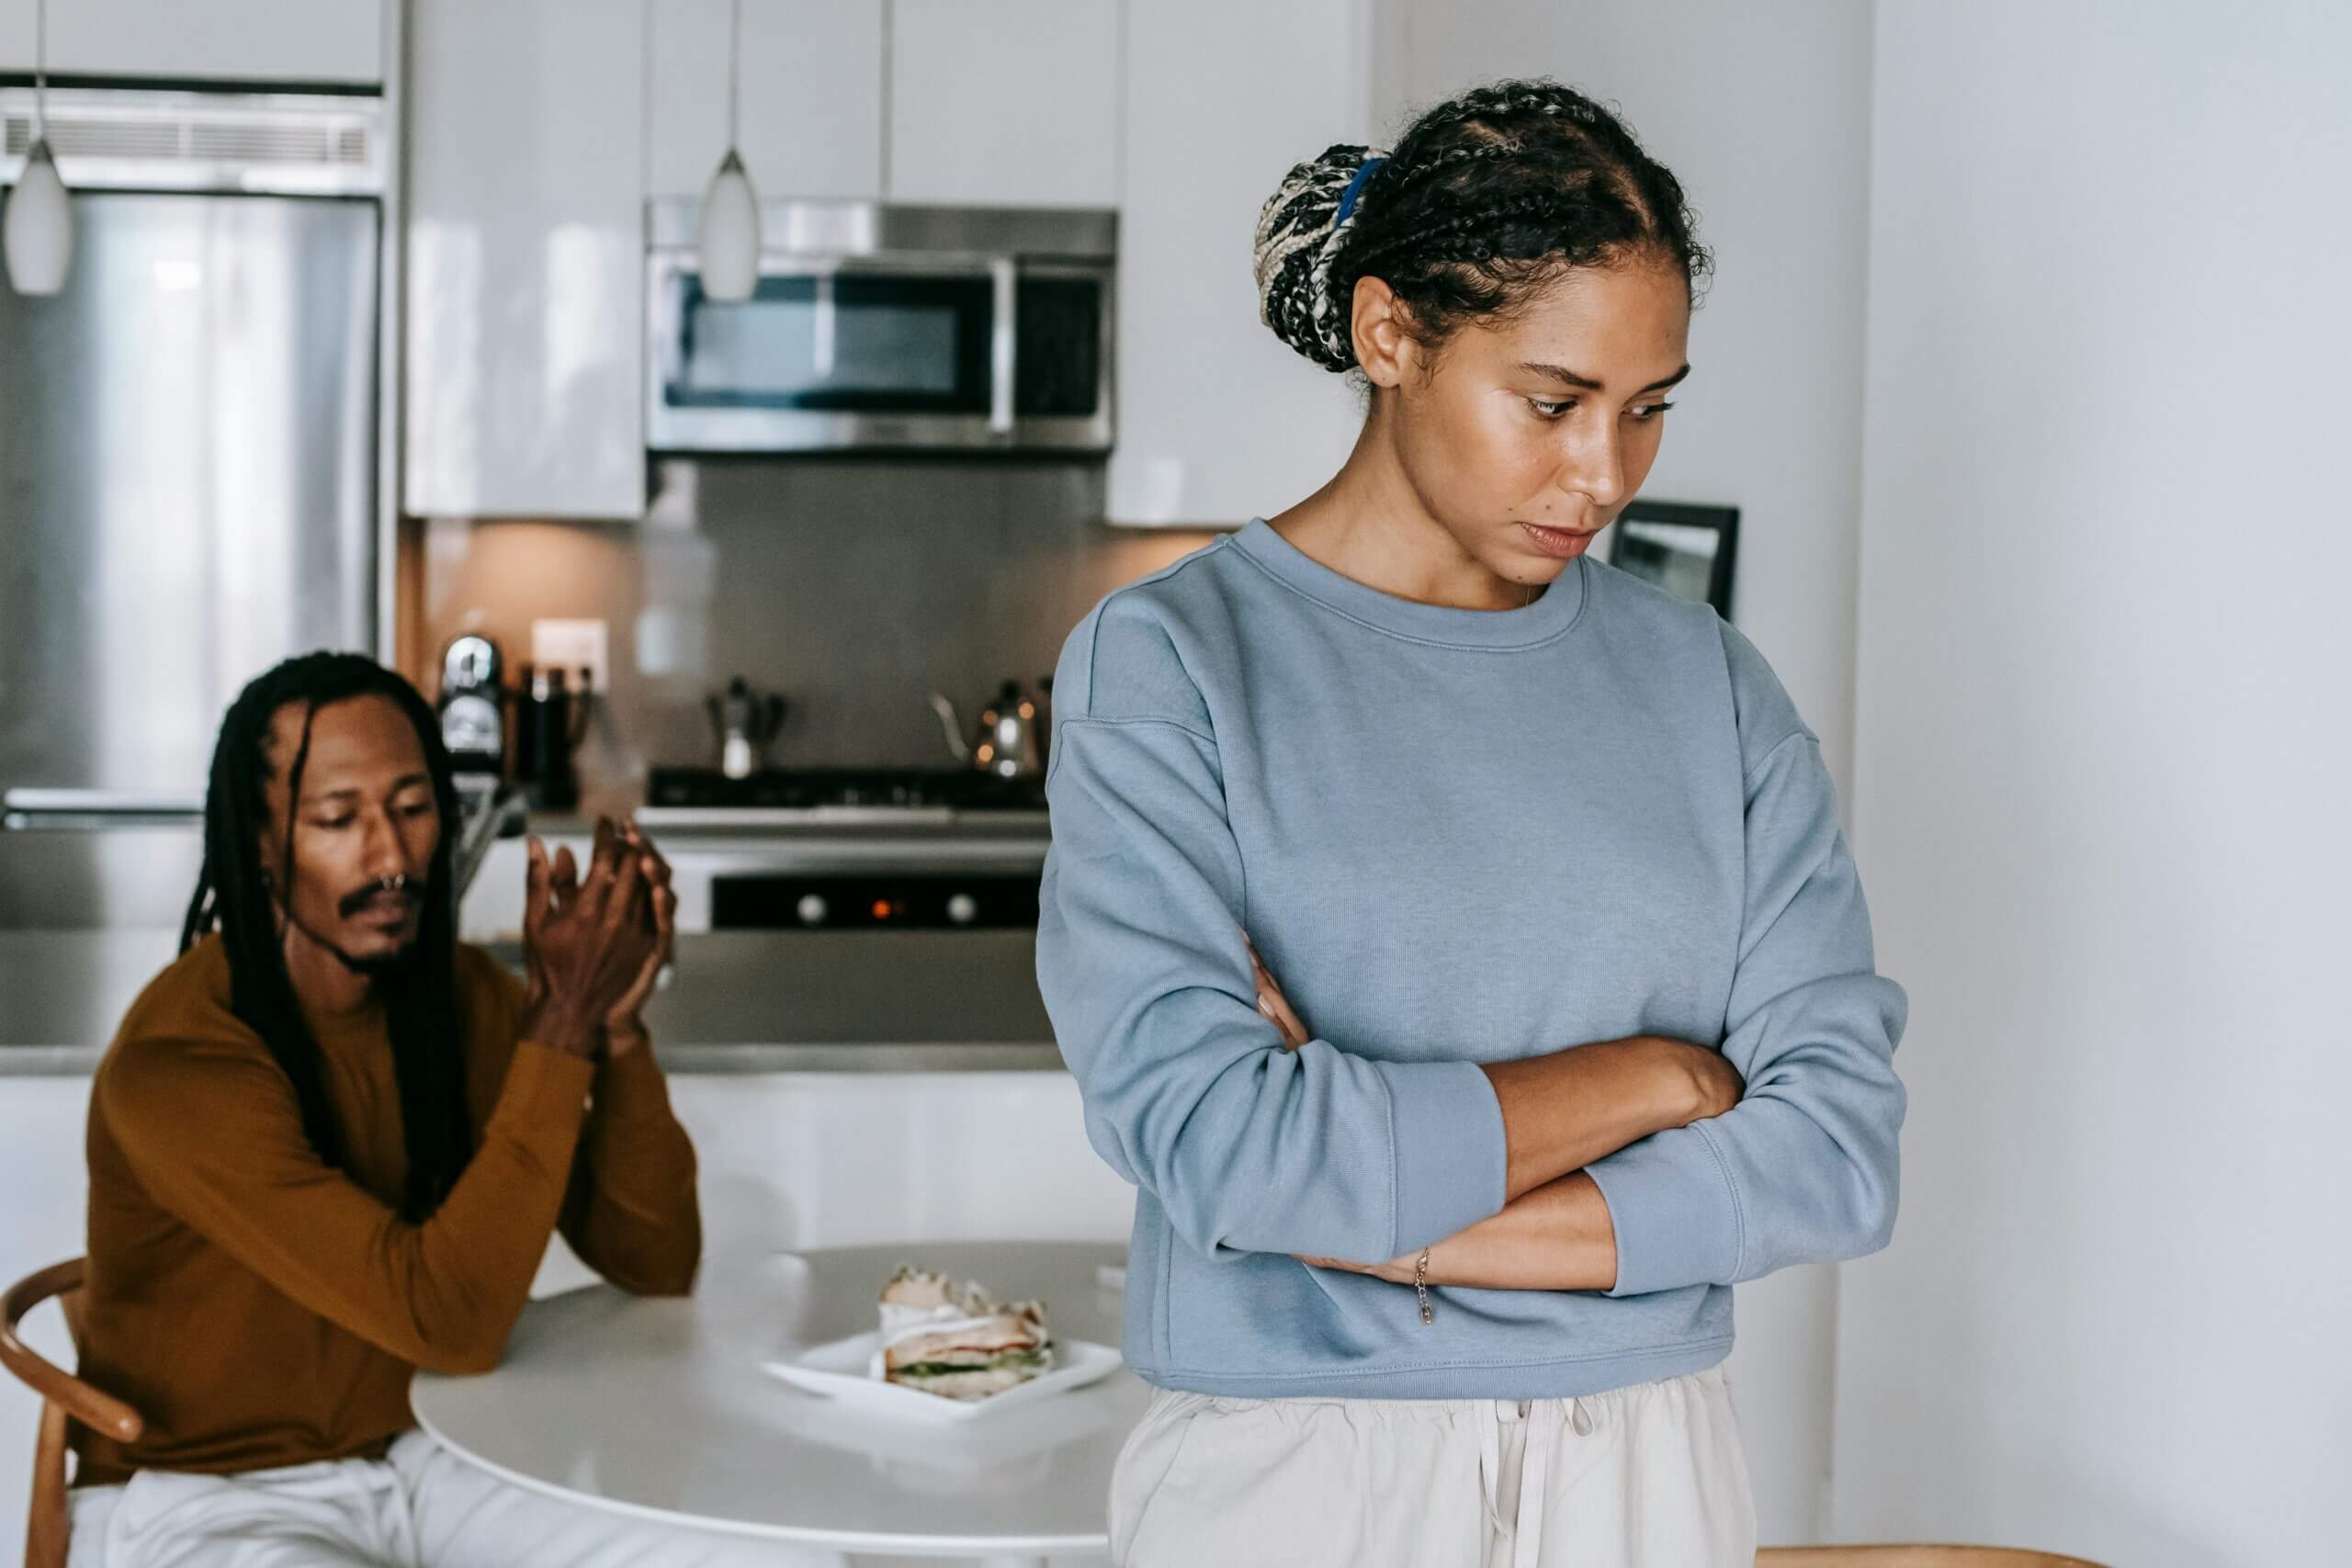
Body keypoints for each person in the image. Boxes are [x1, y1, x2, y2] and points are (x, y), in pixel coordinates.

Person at [1033, 80, 1910, 1567]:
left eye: (1646, 411)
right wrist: (1658, 1074)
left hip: (1645, 1457)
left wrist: (1402, 1222)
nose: (1606, 475)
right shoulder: (1176, 661)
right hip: (1293, 1474)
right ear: (1390, 335)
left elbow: (1833, 1153)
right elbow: (1221, 1146)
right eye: (1554, 402)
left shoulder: (1707, 683)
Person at [67, 652, 837, 1568]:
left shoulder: (455, 999)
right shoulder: (182, 1064)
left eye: (412, 807)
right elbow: (448, 1321)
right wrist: (559, 1025)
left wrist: (614, 1032)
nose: (390, 858)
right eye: (337, 819)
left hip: (437, 1451)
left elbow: (654, 1261)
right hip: (218, 1497)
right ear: (262, 843)